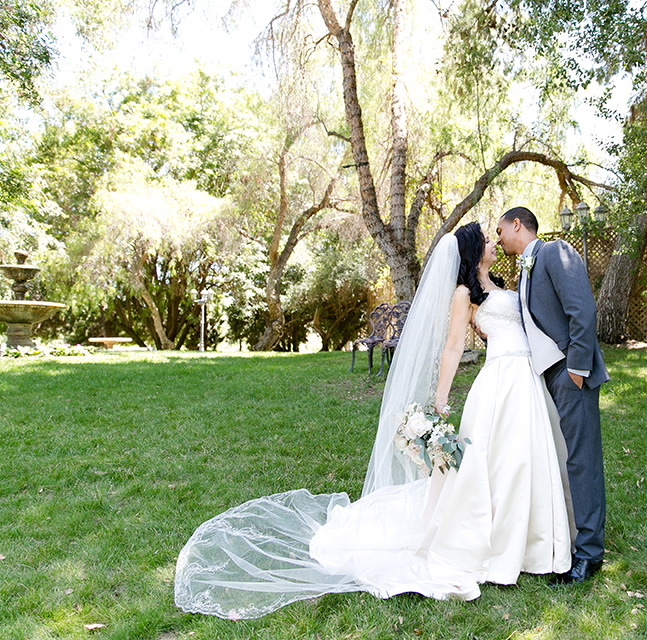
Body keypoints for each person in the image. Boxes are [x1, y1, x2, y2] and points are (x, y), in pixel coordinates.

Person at [173, 223, 573, 619]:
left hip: (526, 380)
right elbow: (453, 346)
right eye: (486, 240)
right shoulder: (464, 294)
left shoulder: (503, 284)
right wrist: (440, 399)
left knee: (523, 456)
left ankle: (532, 541)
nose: (493, 243)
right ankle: (494, 544)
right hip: (500, 382)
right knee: (496, 462)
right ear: (472, 251)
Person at [496, 206, 609, 585]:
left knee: (583, 459)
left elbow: (583, 311)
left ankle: (590, 555)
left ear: (517, 225)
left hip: (570, 373)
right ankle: (576, 536)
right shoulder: (525, 269)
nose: (498, 240)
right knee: (567, 459)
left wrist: (577, 369)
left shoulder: (555, 251)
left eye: (500, 231)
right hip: (549, 377)